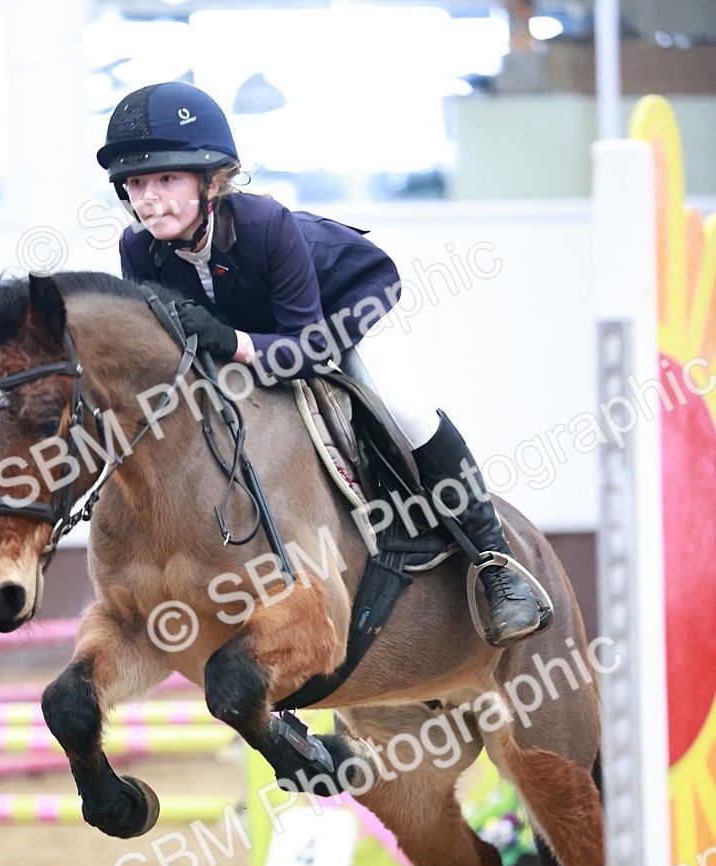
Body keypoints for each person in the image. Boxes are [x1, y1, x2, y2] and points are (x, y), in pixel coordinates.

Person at [97, 81, 542, 645]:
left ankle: (497, 565)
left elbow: (307, 349)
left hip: (341, 307)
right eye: (136, 183)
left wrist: (233, 342)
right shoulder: (138, 249)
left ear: (212, 182)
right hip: (260, 330)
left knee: (404, 410)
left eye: (166, 179)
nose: (149, 198)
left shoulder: (266, 225)